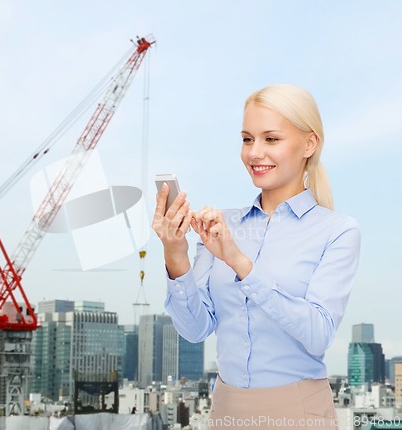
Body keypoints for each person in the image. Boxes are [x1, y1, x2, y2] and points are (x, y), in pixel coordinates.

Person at [152, 84, 361, 430]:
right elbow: (195, 329)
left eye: (271, 139)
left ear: (309, 144)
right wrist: (176, 255)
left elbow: (319, 332)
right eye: (248, 139)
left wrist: (240, 263)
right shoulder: (222, 225)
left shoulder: (337, 231)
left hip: (299, 413)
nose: (255, 152)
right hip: (226, 410)